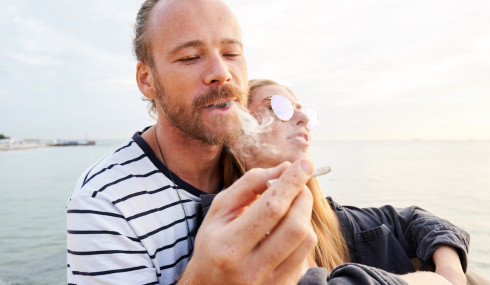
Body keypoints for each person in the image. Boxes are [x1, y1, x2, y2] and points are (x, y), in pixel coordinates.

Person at [67, 1, 318, 284]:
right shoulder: (104, 199)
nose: (221, 72)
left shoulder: (248, 164)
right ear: (147, 79)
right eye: (189, 57)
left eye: (231, 53)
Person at [199, 79, 471, 284]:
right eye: (279, 107)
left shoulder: (331, 220)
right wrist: (430, 281)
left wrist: (451, 272)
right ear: (237, 132)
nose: (303, 118)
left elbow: (415, 220)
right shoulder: (224, 232)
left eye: (305, 112)